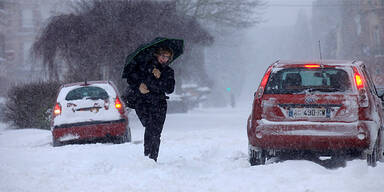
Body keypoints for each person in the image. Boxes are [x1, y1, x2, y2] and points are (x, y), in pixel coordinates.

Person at [125, 47, 175, 162]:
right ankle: (148, 155)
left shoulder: (168, 71)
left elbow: (170, 88)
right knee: (150, 127)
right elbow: (131, 78)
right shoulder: (143, 66)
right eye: (163, 56)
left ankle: (152, 157)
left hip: (159, 103)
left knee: (155, 131)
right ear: (157, 55)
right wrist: (139, 86)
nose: (165, 59)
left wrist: (160, 77)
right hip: (142, 102)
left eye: (167, 57)